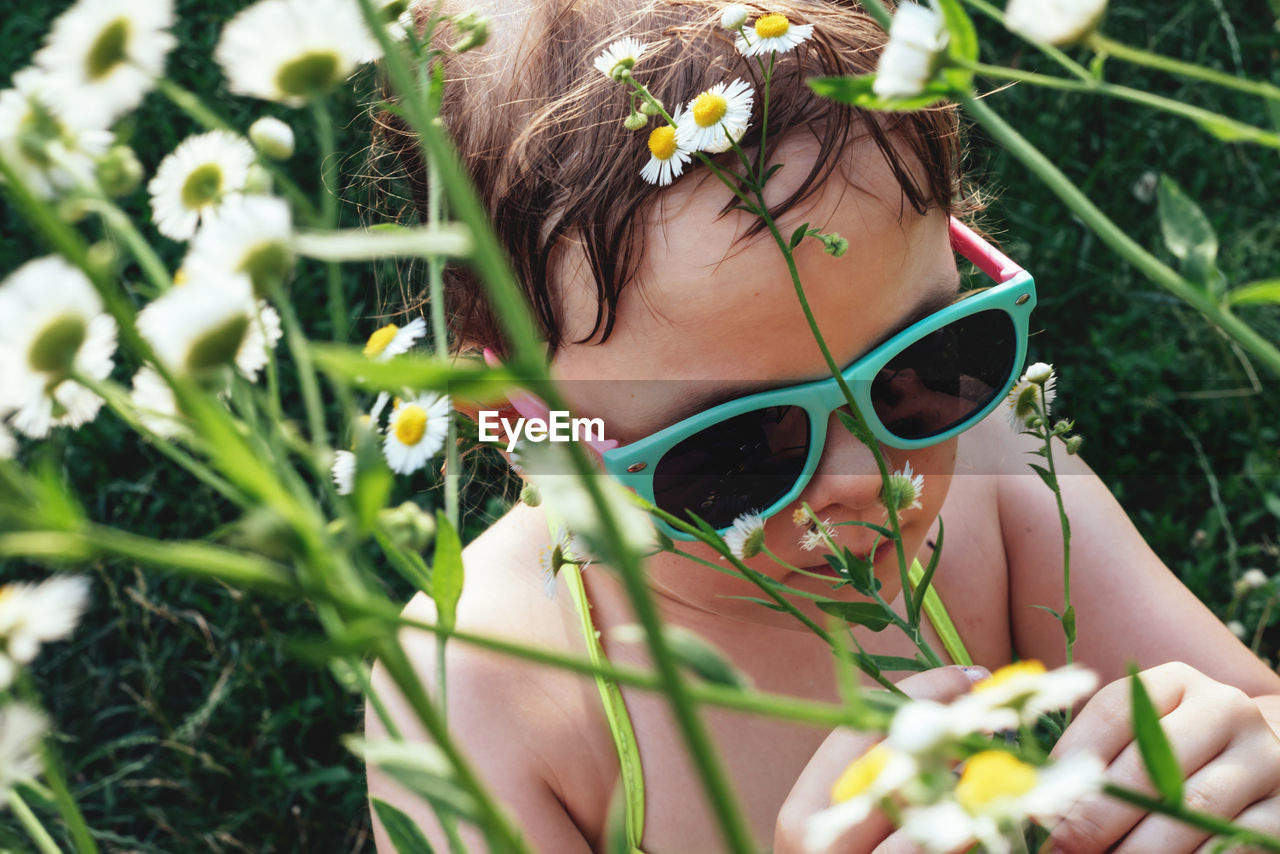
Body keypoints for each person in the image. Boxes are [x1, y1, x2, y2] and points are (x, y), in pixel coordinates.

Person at [364, 1, 1280, 851]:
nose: (873, 472)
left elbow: (1253, 716)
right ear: (525, 428)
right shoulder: (478, 688)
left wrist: (1239, 756)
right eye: (733, 449)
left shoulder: (1001, 474)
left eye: (923, 370)